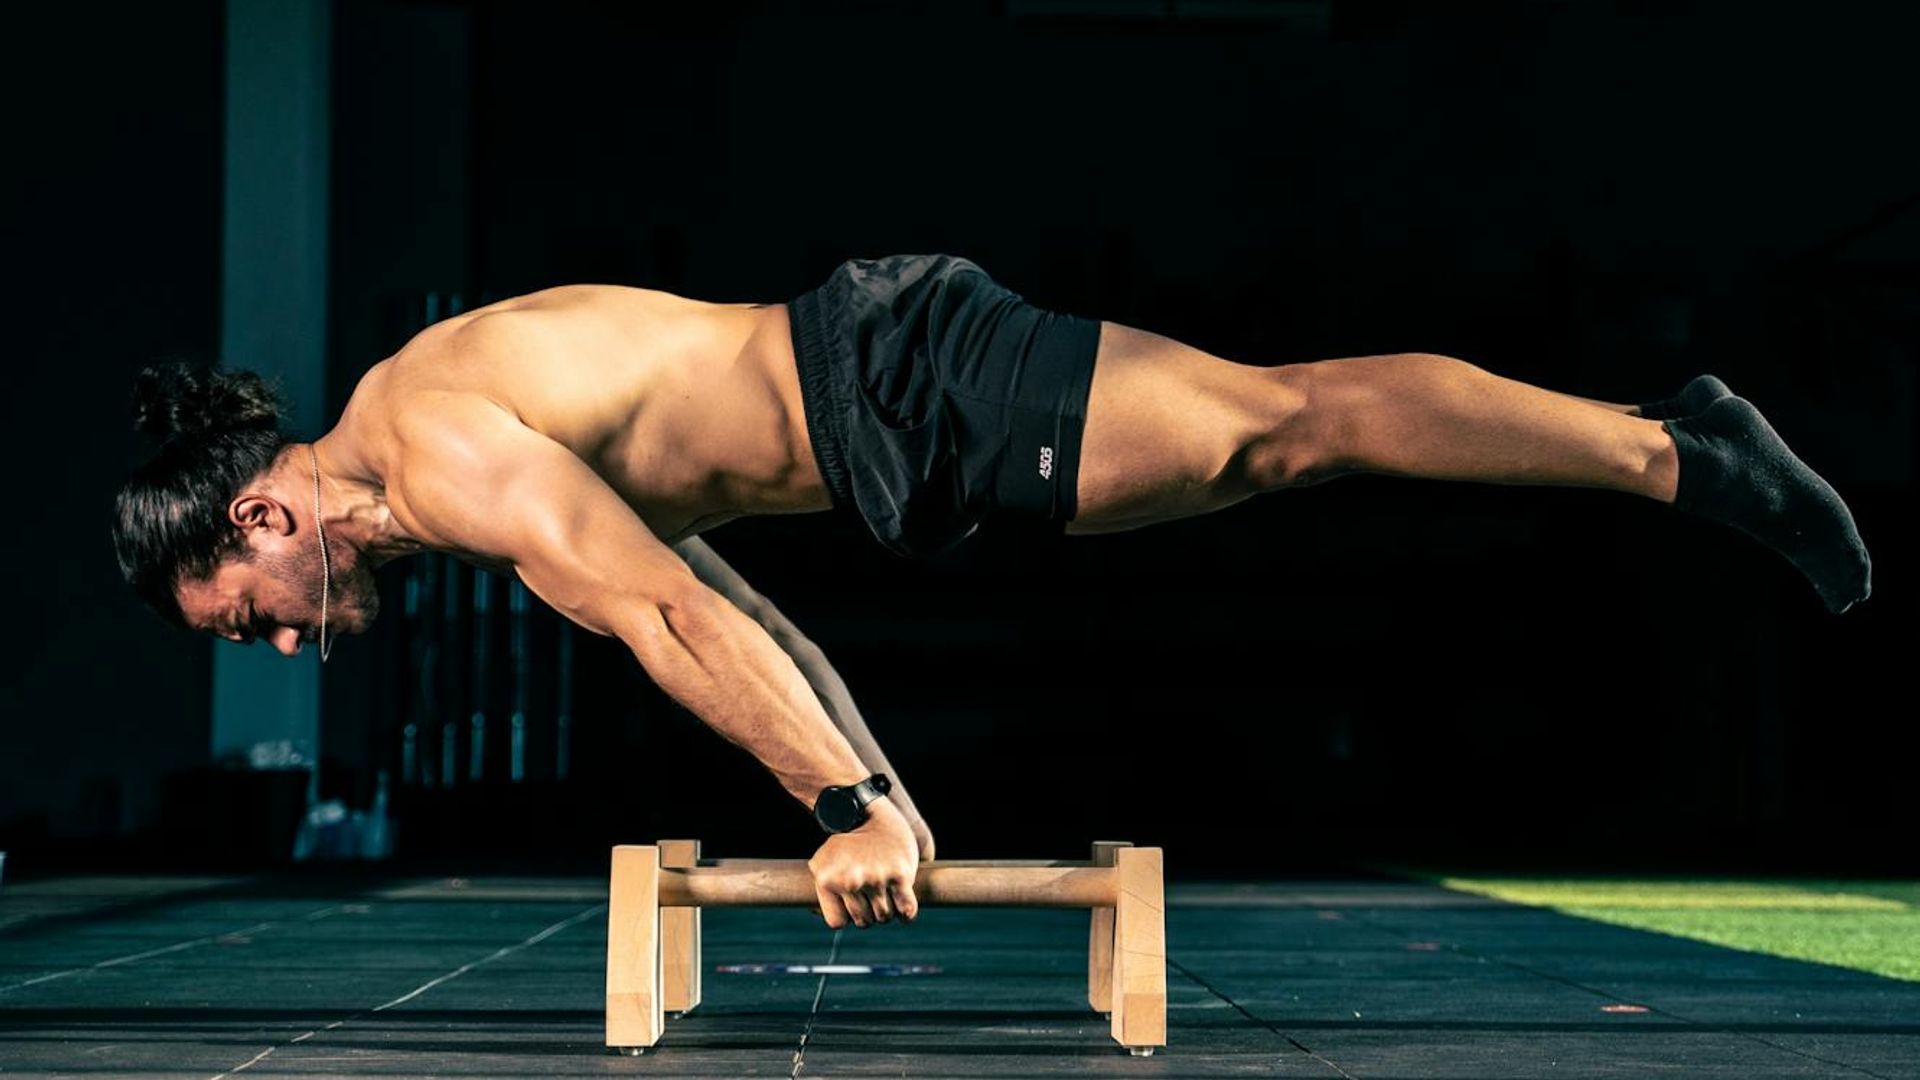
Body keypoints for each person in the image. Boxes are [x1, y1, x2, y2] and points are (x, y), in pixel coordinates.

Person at [113, 253, 1873, 930]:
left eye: (252, 613)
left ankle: (1678, 452)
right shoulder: (437, 450)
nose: (281, 646)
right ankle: (1670, 448)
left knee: (1286, 425)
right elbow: (745, 608)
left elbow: (659, 616)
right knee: (1286, 428)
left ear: (266, 513)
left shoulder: (434, 451)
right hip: (894, 411)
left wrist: (847, 803)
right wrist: (891, 799)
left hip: (901, 384)